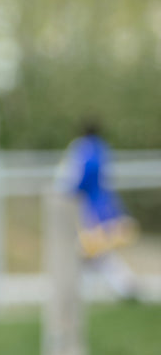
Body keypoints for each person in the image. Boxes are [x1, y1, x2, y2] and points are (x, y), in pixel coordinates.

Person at [60, 121, 138, 299]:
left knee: (91, 249)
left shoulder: (84, 150)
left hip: (90, 208)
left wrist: (68, 191)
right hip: (103, 204)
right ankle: (124, 286)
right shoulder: (103, 149)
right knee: (92, 252)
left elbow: (81, 178)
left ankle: (124, 285)